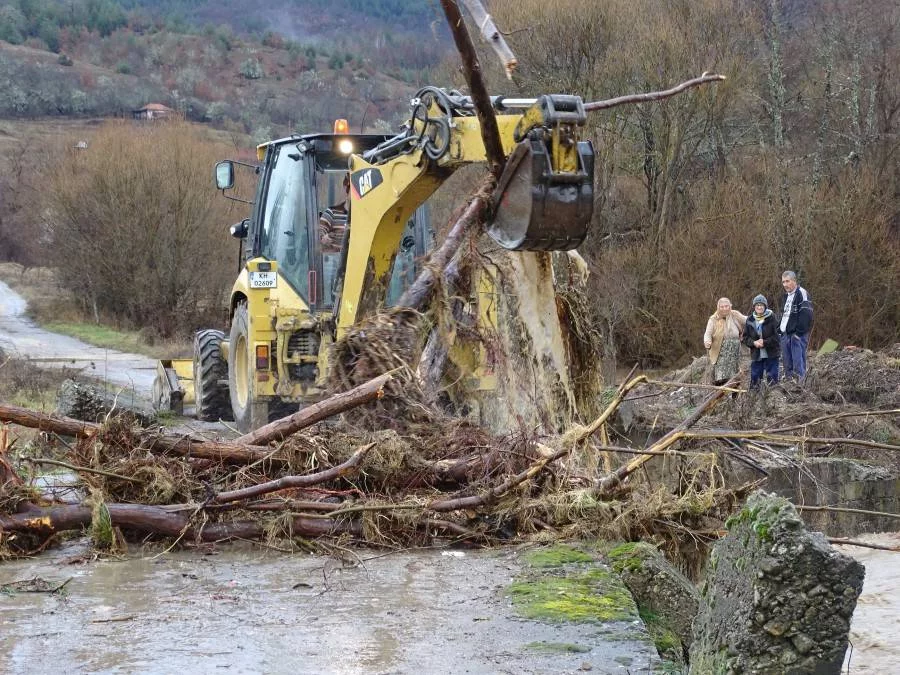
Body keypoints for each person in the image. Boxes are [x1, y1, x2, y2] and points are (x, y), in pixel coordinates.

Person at [778, 270, 813, 380]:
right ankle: (790, 390)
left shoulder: (801, 293)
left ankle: (800, 391)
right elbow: (785, 316)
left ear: (794, 281)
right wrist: (779, 331)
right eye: (783, 282)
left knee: (798, 365)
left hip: (797, 336)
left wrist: (798, 333)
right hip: (785, 335)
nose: (785, 285)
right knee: (787, 364)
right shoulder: (786, 296)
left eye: (787, 281)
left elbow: (807, 315)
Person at [703, 297, 746, 385]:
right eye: (722, 307)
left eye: (726, 306)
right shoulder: (713, 319)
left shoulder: (735, 315)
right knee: (721, 377)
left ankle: (735, 397)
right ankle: (719, 395)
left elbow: (748, 320)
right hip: (720, 352)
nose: (724, 308)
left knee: (736, 376)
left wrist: (760, 314)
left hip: (735, 352)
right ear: (718, 307)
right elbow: (707, 334)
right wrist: (707, 342)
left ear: (730, 306)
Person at [743, 294, 780, 389]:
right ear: (754, 306)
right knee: (755, 379)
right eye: (757, 305)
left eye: (761, 305)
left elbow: (777, 337)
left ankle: (773, 400)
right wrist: (754, 343)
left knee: (772, 380)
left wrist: (764, 342)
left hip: (771, 354)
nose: (759, 307)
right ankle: (754, 400)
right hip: (756, 354)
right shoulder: (750, 320)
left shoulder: (772, 318)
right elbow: (745, 338)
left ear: (765, 306)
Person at [319, 174, 350, 253]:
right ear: (346, 189)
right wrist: (323, 239)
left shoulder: (364, 217)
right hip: (336, 262)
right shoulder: (331, 213)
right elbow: (318, 234)